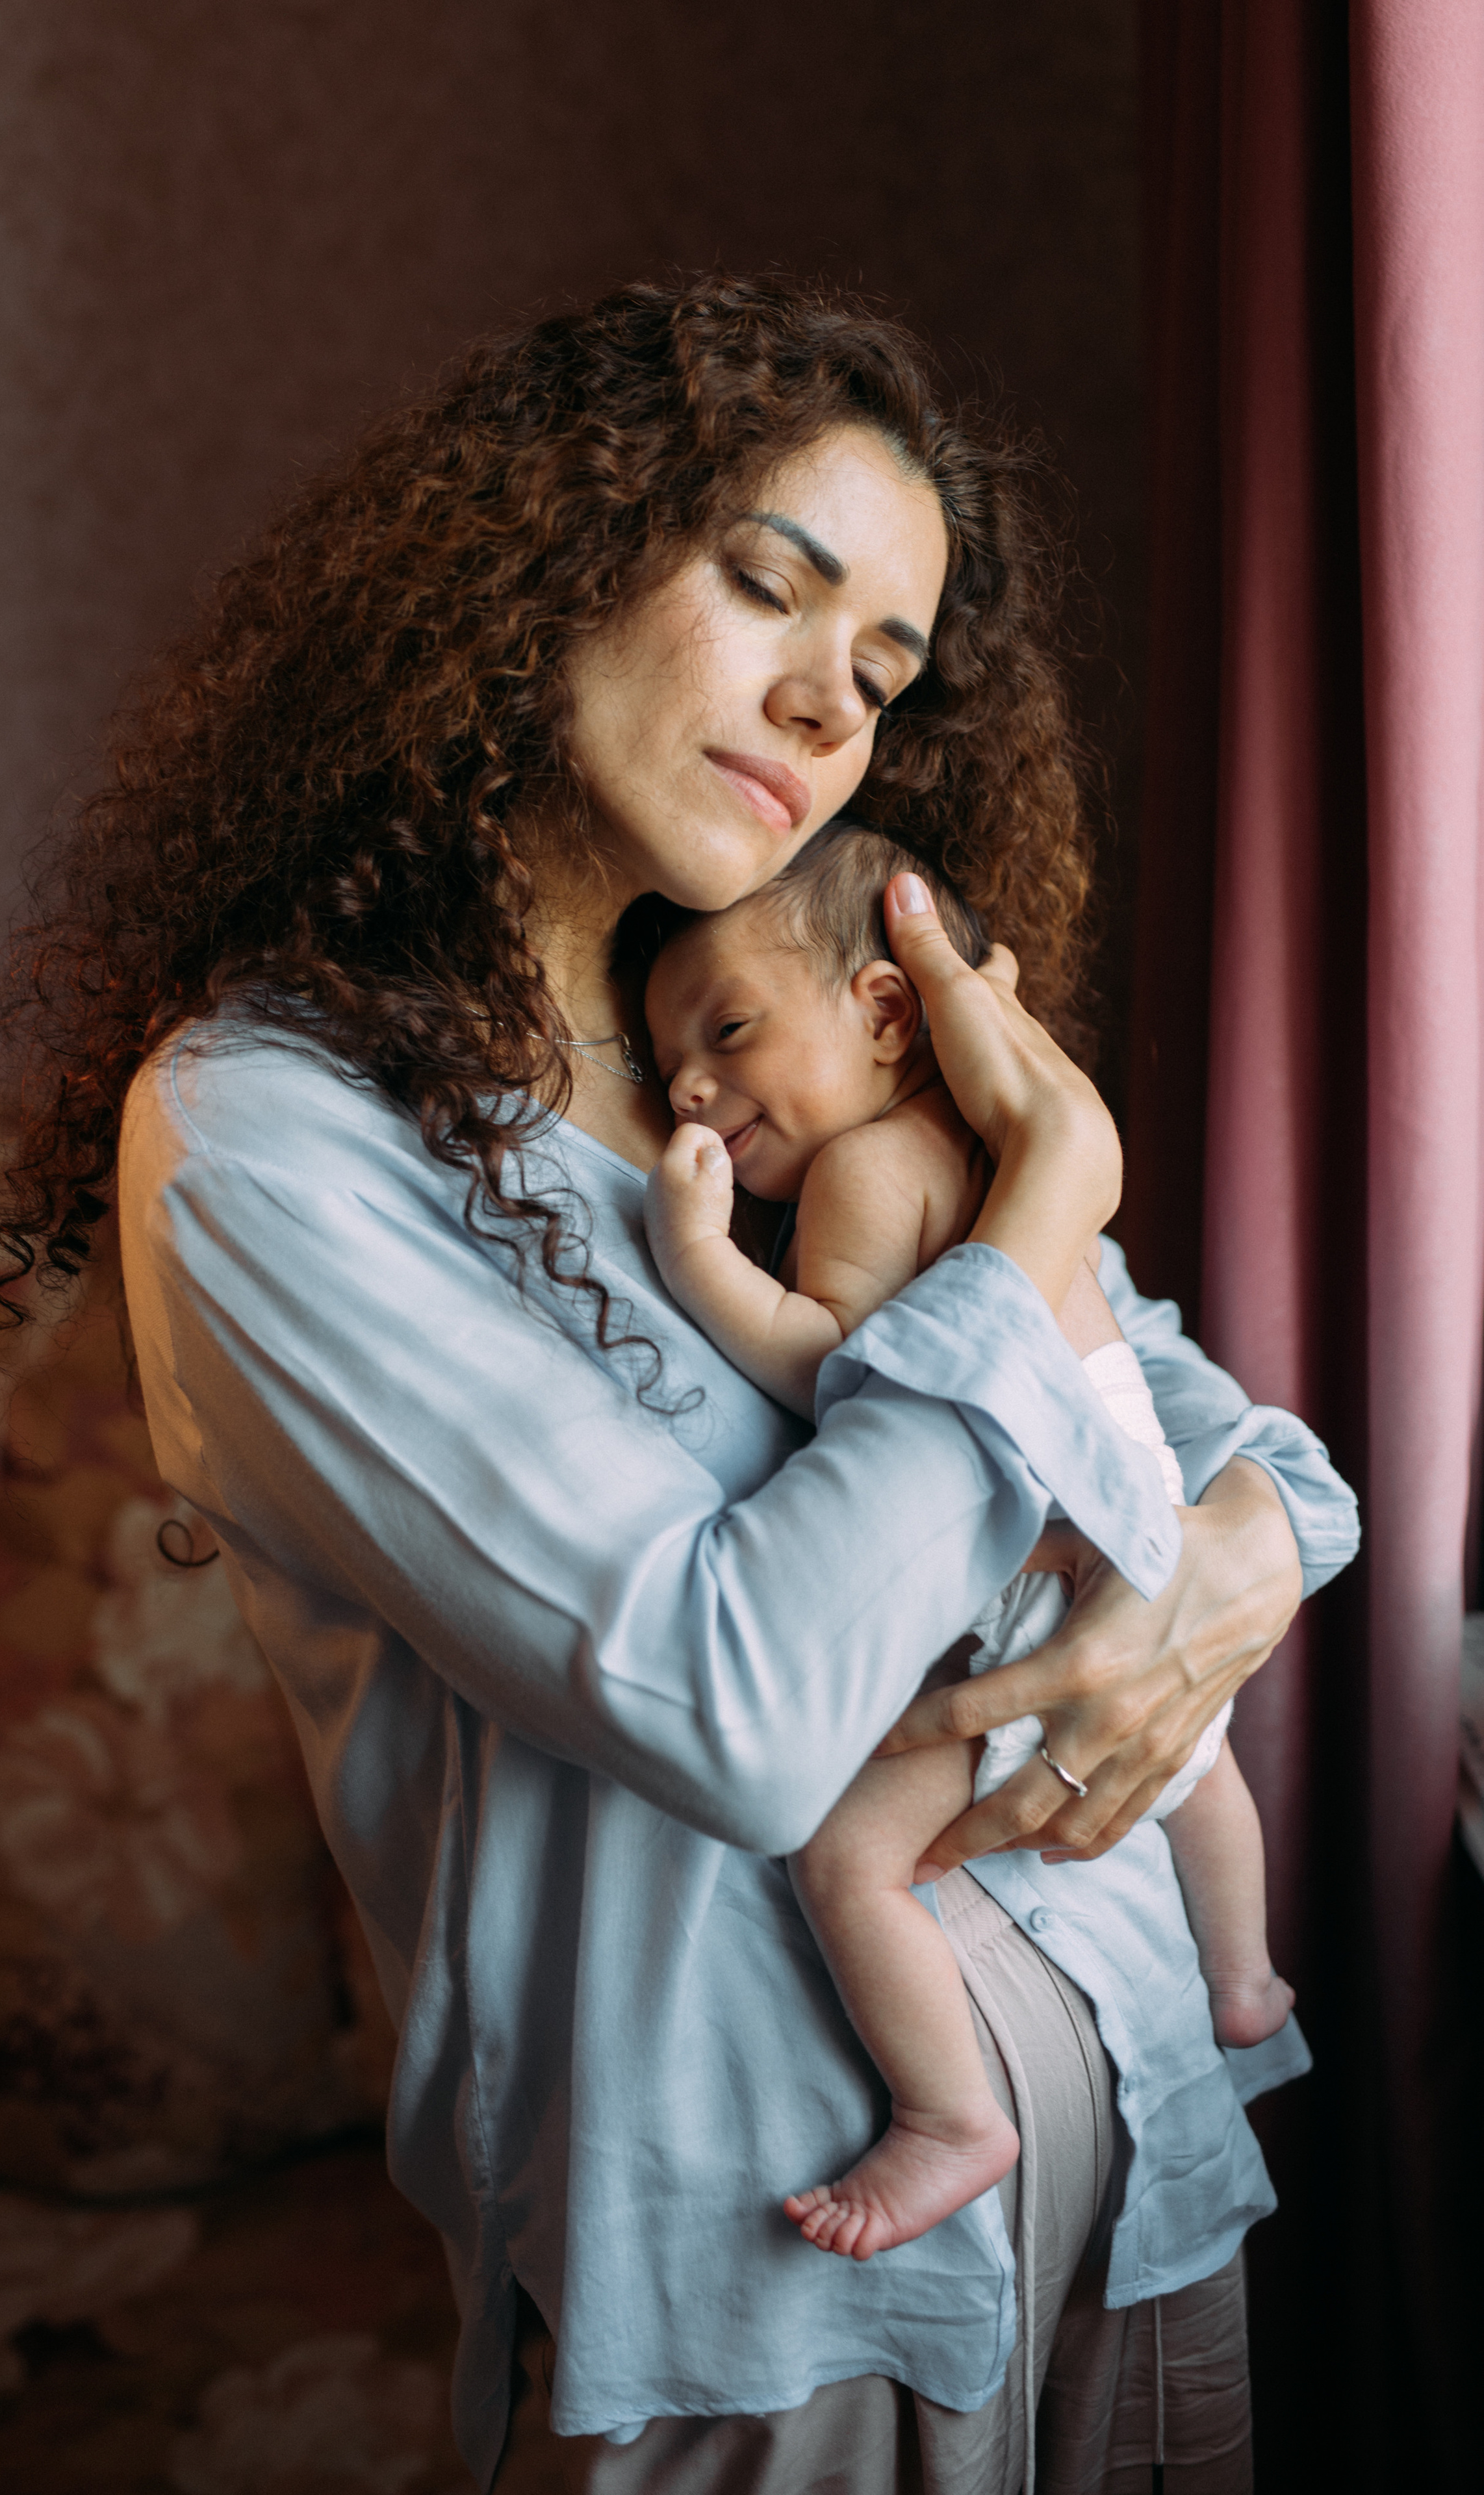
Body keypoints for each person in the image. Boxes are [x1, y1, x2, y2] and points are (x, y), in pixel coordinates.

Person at [0, 275, 1359, 2492]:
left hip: (1131, 2144)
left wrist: (1227, 1564)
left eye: (887, 675)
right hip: (763, 2289)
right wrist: (1048, 1193)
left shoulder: (775, 1064)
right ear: (547, 563)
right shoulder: (269, 1133)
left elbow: (1234, 1446)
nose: (832, 702)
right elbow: (736, 1708)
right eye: (769, 589)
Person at [640, 820, 1296, 2265]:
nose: (689, 1085)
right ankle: (1242, 1978)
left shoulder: (863, 1172)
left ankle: (949, 2117)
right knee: (1194, 1759)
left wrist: (692, 1261)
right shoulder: (994, 1142)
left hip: (1017, 1564)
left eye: (730, 1031)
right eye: (667, 1061)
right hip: (1140, 1528)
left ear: (884, 1006)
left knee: (849, 1869)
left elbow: (830, 1367)